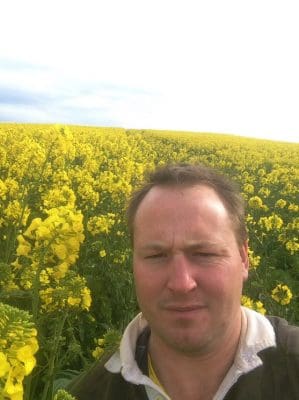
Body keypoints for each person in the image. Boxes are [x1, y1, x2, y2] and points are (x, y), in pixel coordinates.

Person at [68, 163, 299, 400]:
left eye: (205, 254)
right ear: (133, 264)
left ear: (243, 258)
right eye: (156, 256)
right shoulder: (87, 392)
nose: (181, 283)